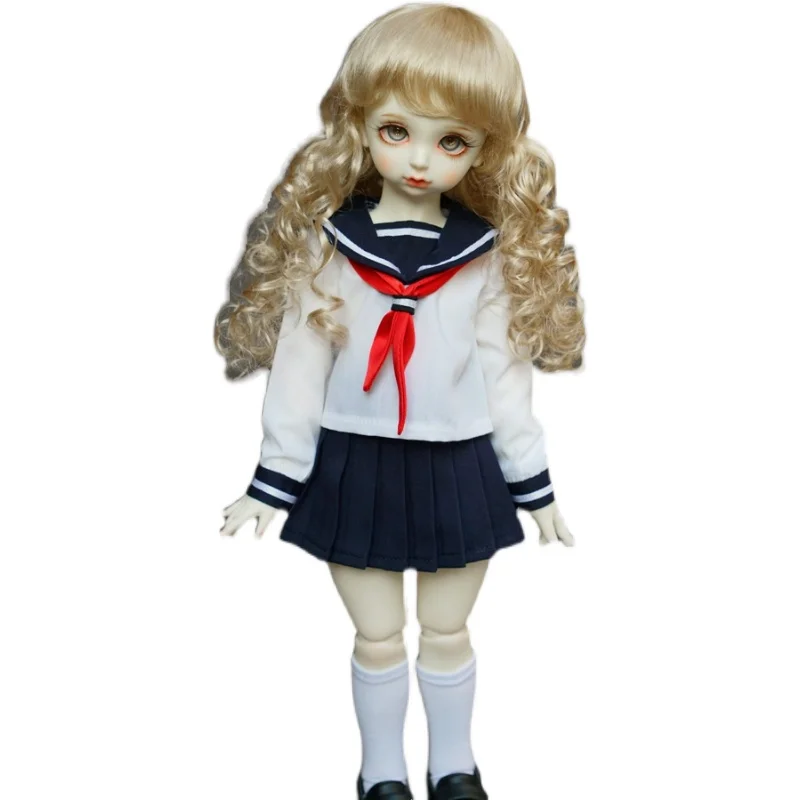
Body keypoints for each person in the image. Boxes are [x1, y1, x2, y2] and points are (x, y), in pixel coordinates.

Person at [214, 5, 585, 799]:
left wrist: (535, 483)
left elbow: (505, 375)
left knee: (447, 630)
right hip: (356, 461)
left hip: (459, 463)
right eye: (396, 130)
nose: (419, 159)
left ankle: (454, 766)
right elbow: (299, 367)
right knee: (377, 636)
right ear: (360, 125)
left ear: (484, 149)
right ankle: (381, 771)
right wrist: (274, 477)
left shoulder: (485, 255)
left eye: (452, 141)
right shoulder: (329, 246)